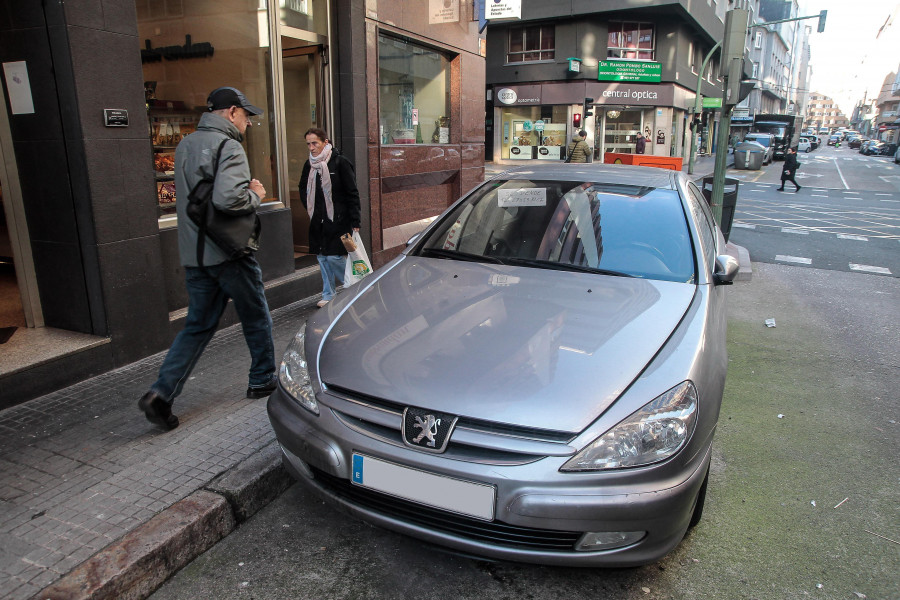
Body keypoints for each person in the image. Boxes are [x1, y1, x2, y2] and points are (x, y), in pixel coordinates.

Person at [138, 87, 276, 431]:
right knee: (256, 315)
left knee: (196, 327)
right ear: (231, 112)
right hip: (230, 252)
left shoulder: (185, 145)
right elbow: (229, 200)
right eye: (246, 116)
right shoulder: (228, 146)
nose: (248, 123)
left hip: (195, 256)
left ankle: (161, 393)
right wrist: (255, 195)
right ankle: (262, 379)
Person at [299, 127, 361, 308]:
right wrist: (309, 206)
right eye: (308, 144)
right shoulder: (308, 165)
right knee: (322, 257)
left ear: (325, 142)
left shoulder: (340, 162)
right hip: (318, 219)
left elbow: (352, 192)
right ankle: (328, 293)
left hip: (339, 218)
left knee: (334, 257)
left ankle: (354, 288)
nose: (311, 147)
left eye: (314, 143)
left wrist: (355, 219)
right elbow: (303, 187)